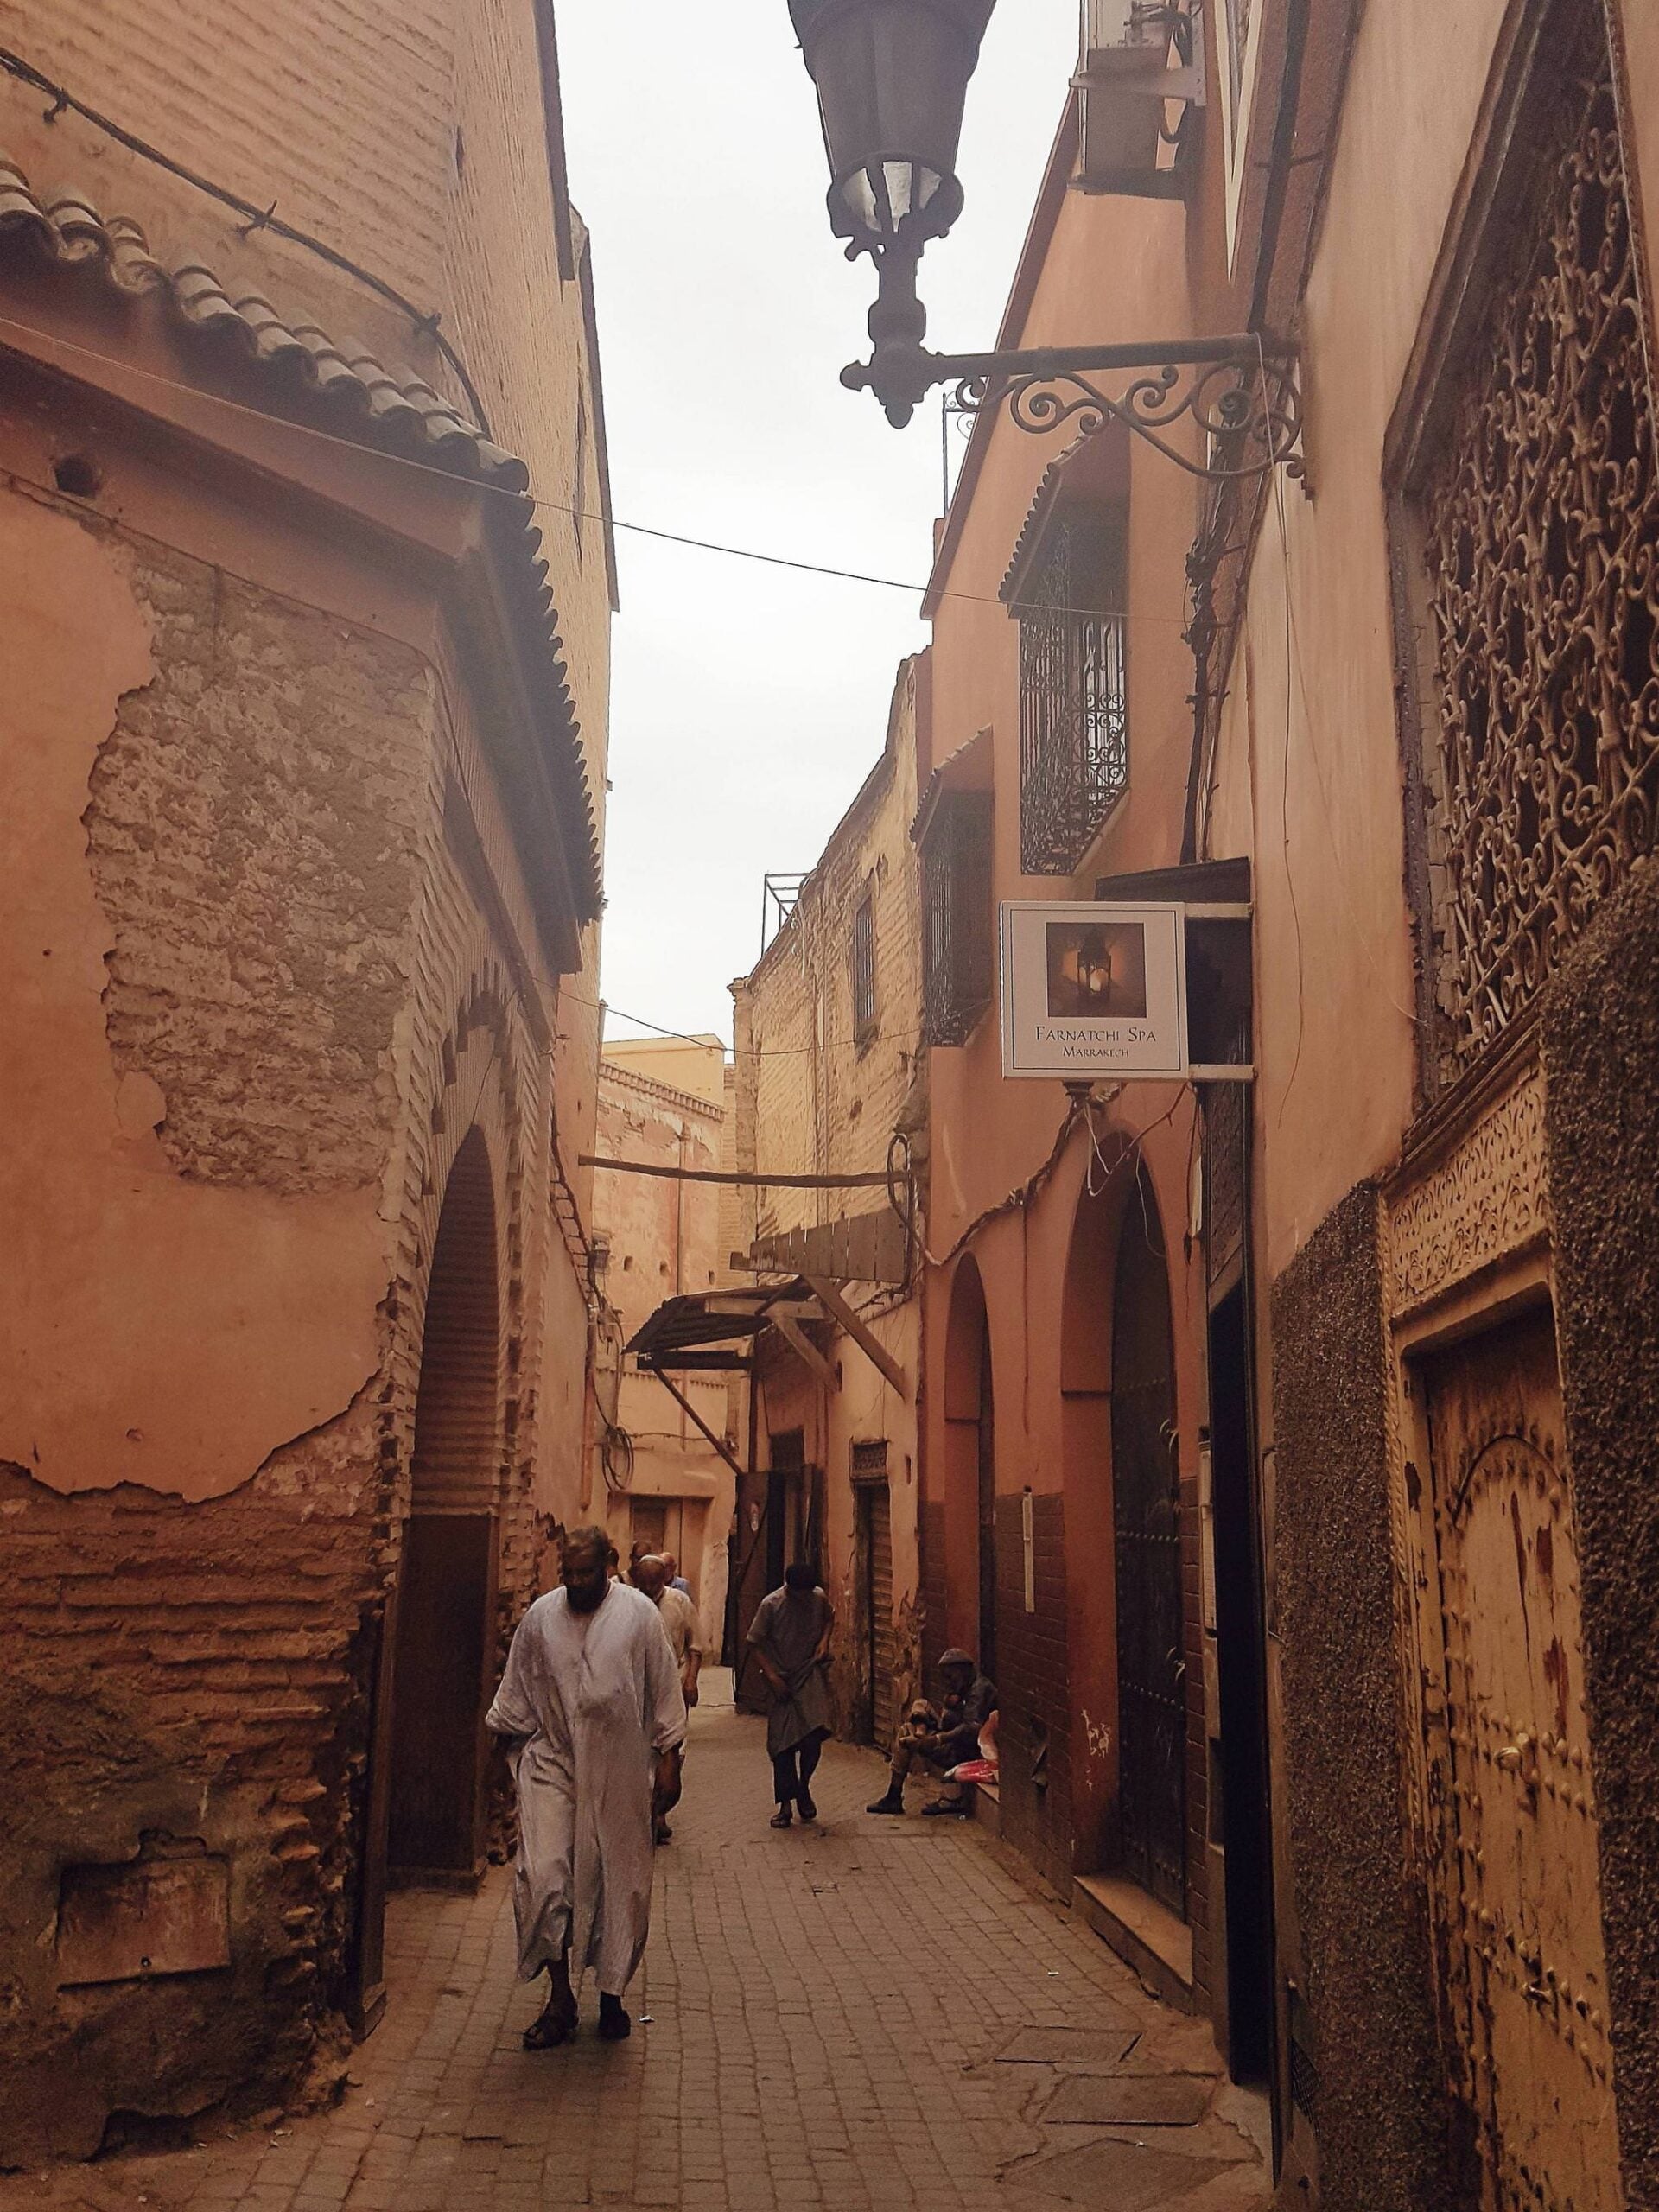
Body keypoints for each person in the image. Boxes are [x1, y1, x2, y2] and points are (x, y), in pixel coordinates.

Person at [486, 1525, 686, 2049]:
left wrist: (670, 1760)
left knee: (618, 1887)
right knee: (544, 1877)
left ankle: (612, 1997)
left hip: (619, 1772)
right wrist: (496, 1768)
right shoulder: (540, 1619)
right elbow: (515, 1693)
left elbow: (664, 1689)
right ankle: (559, 2000)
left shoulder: (639, 1617)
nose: (575, 1583)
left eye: (586, 1573)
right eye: (567, 1573)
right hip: (552, 1764)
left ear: (609, 1564)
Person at [747, 1560, 834, 1828]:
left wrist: (823, 1641)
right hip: (782, 1679)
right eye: (800, 1593)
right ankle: (785, 1805)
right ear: (790, 1588)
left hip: (809, 1674)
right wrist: (772, 1676)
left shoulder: (817, 1597)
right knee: (781, 1746)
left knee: (813, 1735)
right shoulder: (771, 1605)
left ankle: (804, 1786)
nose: (805, 1597)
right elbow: (754, 1642)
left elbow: (830, 1616)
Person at [867, 1649, 997, 1816]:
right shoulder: (964, 1687)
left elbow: (970, 1728)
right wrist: (948, 1705)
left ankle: (894, 1796)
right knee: (921, 1704)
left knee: (905, 1732)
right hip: (951, 1739)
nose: (949, 1683)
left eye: (951, 1677)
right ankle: (919, 1733)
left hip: (963, 1751)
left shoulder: (980, 1689)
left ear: (963, 1670)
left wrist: (936, 1739)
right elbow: (947, 1721)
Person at [631, 1554, 702, 1841]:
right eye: (644, 1581)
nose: (649, 1586)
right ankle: (642, 1809)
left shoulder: (679, 1602)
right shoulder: (627, 1603)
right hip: (636, 1687)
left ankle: (660, 1811)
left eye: (654, 1581)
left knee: (672, 1744)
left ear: (665, 1579)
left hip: (672, 1682)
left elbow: (695, 1644)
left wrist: (691, 1679)